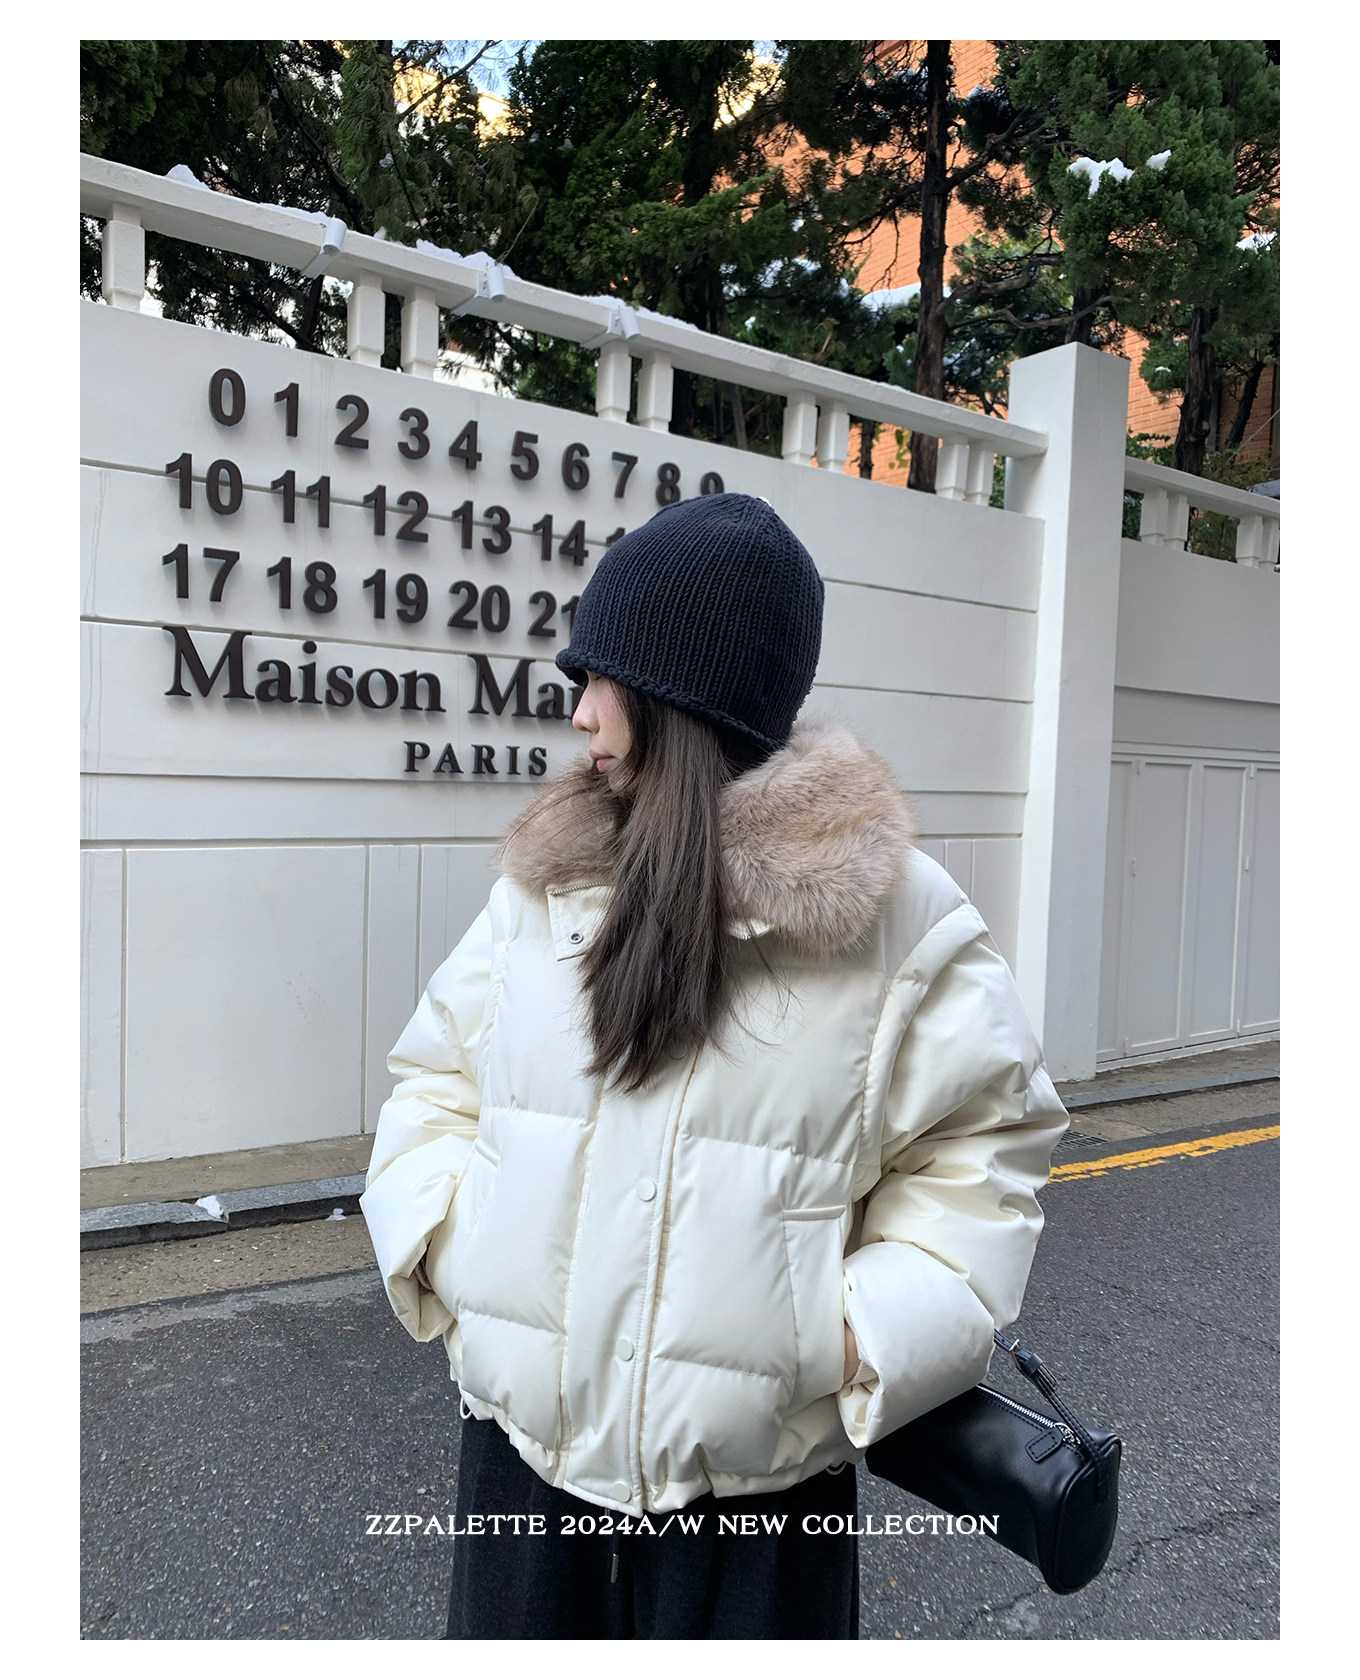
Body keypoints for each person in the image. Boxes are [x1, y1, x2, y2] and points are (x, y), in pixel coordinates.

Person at [360, 492, 1069, 1640]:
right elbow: (436, 1082)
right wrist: (456, 1249)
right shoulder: (547, 886)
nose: (580, 711)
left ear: (680, 698)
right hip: (521, 1472)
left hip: (759, 1511)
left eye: (601, 678)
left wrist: (836, 1342)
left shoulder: (900, 923)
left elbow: (979, 1163)